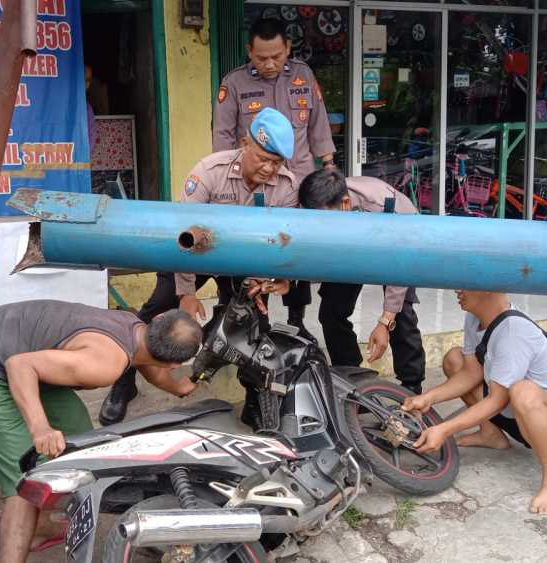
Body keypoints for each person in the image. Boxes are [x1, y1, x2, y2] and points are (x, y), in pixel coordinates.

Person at [99, 108, 299, 429]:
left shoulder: (286, 187)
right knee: (155, 310)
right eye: (263, 158)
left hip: (244, 262)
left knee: (255, 325)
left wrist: (264, 279)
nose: (269, 169)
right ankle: (124, 382)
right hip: (195, 254)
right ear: (245, 143)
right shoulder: (210, 171)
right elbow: (183, 236)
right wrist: (186, 293)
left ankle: (253, 400)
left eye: (276, 163)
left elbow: (279, 241)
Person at [0, 300, 201, 562]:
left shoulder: (137, 330)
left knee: (84, 446)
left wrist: (178, 389)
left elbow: (152, 369)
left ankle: (39, 528)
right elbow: (19, 366)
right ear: (174, 364)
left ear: (159, 318)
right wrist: (40, 428)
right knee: (26, 477)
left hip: (26, 350)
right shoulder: (104, 364)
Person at [402, 290, 547, 515]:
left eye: (464, 285)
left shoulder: (513, 331)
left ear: (488, 287)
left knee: (522, 391)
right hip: (512, 413)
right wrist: (427, 397)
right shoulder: (475, 317)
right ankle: (491, 434)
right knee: (454, 359)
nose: (456, 290)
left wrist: (444, 429)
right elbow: (471, 372)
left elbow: (497, 400)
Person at [213, 17, 338, 341]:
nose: (269, 64)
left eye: (277, 56)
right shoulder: (234, 83)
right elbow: (223, 138)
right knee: (260, 249)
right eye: (261, 57)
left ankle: (297, 318)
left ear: (288, 49)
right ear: (249, 52)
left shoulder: (303, 75)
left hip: (300, 184)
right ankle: (255, 320)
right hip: (259, 187)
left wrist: (328, 164)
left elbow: (318, 123)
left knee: (298, 251)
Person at [298, 170, 426, 393]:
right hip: (354, 244)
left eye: (322, 219)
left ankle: (411, 387)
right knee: (331, 312)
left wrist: (385, 321)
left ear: (345, 204)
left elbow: (401, 265)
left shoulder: (384, 210)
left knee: (401, 316)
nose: (317, 226)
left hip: (400, 244)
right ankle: (351, 380)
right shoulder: (326, 204)